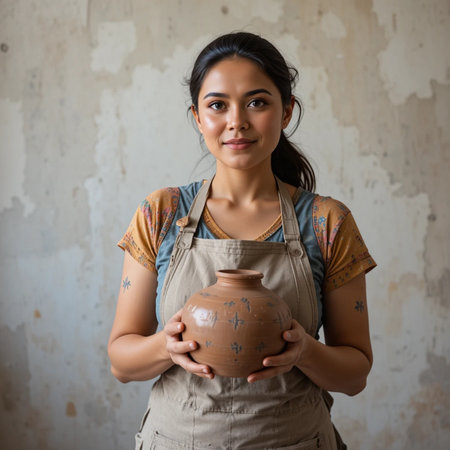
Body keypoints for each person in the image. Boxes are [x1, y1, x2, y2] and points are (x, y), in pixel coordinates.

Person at [108, 31, 376, 449]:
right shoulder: (160, 214)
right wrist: (168, 346)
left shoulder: (327, 221)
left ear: (286, 111)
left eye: (257, 102)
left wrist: (304, 350)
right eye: (217, 105)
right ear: (198, 116)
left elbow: (355, 375)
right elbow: (121, 361)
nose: (237, 121)